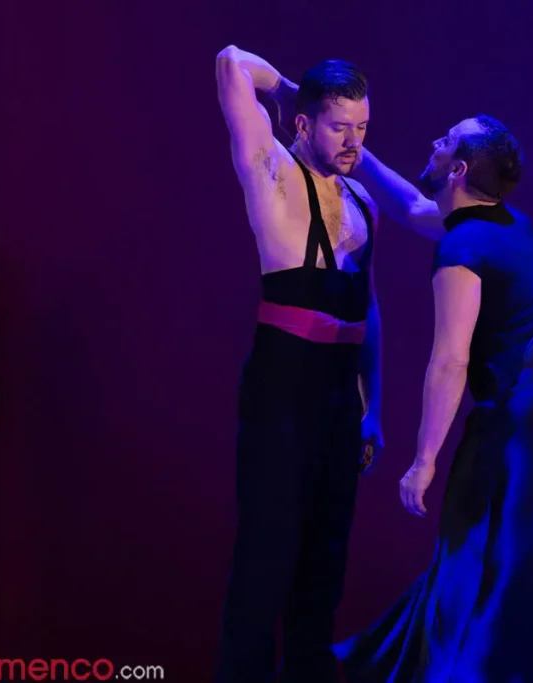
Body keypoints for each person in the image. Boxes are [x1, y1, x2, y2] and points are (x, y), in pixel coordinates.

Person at [332, 116, 533, 681]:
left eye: (446, 141)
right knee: (522, 568)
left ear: (458, 169)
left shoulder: (463, 249)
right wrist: (358, 151)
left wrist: (423, 461)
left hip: (522, 432)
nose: (434, 143)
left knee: (488, 569)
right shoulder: (508, 223)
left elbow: (450, 360)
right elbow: (416, 209)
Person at [213, 46, 384, 683]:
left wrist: (373, 407)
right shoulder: (274, 174)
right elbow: (231, 63)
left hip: (340, 395)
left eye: (362, 127)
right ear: (305, 124)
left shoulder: (363, 203)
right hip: (283, 386)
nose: (353, 141)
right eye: (339, 126)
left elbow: (369, 310)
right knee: (267, 554)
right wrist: (292, 90)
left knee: (326, 556)